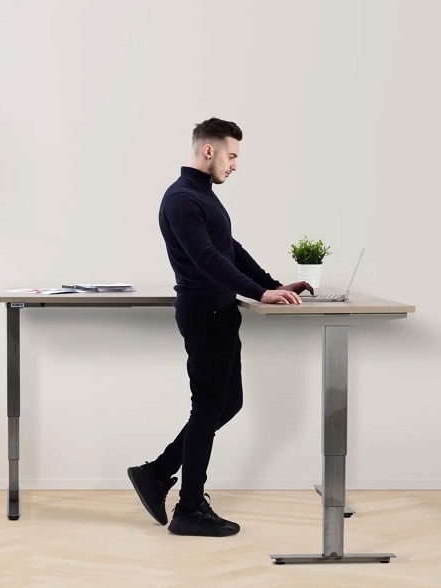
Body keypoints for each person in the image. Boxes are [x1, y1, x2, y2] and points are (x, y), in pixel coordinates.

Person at [127, 117, 313, 537]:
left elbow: (231, 250)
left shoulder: (203, 197)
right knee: (208, 407)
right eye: (231, 155)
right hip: (205, 314)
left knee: (227, 404)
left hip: (221, 312)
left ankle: (157, 474)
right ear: (208, 151)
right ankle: (189, 507)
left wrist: (271, 286)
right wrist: (259, 294)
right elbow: (207, 260)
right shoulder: (180, 199)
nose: (234, 165)